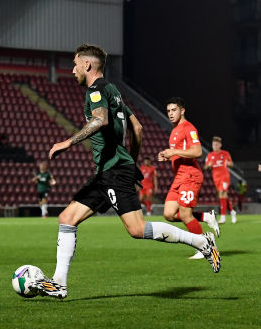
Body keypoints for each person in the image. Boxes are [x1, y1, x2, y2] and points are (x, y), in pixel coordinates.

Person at [33, 44, 220, 299]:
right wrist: (131, 162)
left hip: (113, 171)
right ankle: (59, 283)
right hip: (109, 171)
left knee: (137, 229)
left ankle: (201, 242)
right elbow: (138, 128)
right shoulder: (113, 90)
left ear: (87, 65)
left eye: (76, 64)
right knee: (67, 218)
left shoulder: (96, 90)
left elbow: (100, 120)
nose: (73, 69)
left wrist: (68, 142)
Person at [159, 97, 220, 260]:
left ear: (182, 110)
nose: (171, 114)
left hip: (190, 175)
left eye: (174, 110)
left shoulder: (188, 128)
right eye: (169, 111)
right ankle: (206, 217)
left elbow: (198, 151)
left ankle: (206, 247)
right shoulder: (174, 130)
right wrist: (167, 155)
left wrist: (175, 152)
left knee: (186, 215)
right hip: (179, 177)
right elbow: (177, 152)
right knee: (169, 214)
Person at [204, 136, 237, 223]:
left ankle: (223, 217)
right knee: (223, 196)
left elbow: (231, 164)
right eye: (213, 144)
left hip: (224, 176)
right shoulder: (210, 155)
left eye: (216, 144)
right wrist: (208, 165)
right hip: (216, 178)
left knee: (222, 193)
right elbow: (205, 167)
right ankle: (232, 212)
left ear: (220, 145)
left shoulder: (225, 153)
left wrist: (228, 163)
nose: (214, 146)